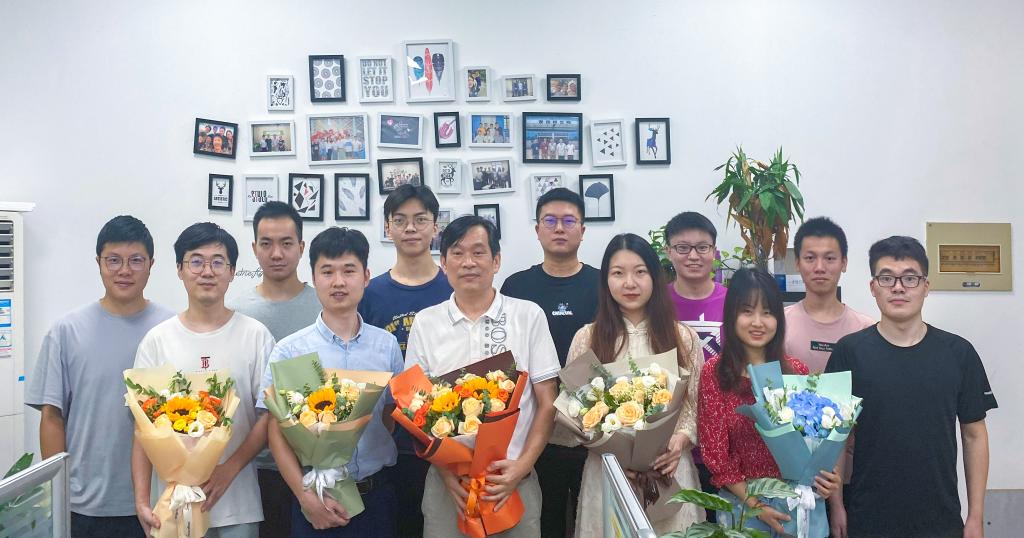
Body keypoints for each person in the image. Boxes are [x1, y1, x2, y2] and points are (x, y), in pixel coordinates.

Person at [825, 236, 997, 538]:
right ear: (873, 287)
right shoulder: (849, 352)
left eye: (909, 278)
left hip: (940, 520)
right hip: (868, 519)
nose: (898, 287)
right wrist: (837, 505)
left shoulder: (959, 353)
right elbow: (835, 437)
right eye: (887, 278)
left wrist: (975, 516)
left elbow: (974, 436)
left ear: (926, 287)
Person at [405, 216, 560, 537]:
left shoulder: (527, 316)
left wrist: (522, 466)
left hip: (512, 482)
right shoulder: (426, 323)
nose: (468, 263)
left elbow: (548, 403)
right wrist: (447, 474)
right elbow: (414, 409)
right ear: (443, 262)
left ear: (496, 261)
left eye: (478, 252)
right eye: (457, 253)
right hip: (449, 488)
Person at [26, 216, 173, 538]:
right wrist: (59, 491)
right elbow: (52, 417)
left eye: (136, 260)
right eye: (113, 260)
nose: (124, 270)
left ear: (151, 264)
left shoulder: (172, 329)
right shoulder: (66, 331)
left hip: (157, 500)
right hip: (83, 503)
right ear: (98, 263)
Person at [259, 227, 404, 537]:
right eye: (327, 272)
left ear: (366, 277)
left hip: (377, 496)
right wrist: (305, 497)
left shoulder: (386, 345)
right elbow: (277, 431)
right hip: (315, 498)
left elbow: (390, 415)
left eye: (349, 271)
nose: (338, 282)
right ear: (314, 278)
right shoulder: (290, 350)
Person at [132, 223, 274, 538]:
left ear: (232, 271)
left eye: (217, 262)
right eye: (196, 261)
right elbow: (142, 428)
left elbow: (268, 416)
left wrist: (229, 469)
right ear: (180, 269)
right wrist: (142, 501)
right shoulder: (157, 340)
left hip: (238, 503)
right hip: (172, 506)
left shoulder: (255, 336)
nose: (207, 271)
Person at [565, 233, 704, 537]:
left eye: (640, 272)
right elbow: (574, 413)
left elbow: (695, 406)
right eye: (618, 273)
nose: (630, 283)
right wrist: (610, 448)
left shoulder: (683, 338)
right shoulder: (587, 339)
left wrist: (679, 441)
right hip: (608, 472)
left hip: (668, 470)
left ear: (655, 277)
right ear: (606, 281)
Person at [698, 268, 841, 536]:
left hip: (798, 504)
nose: (758, 322)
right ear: (731, 315)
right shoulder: (714, 374)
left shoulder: (796, 372)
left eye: (767, 312)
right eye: (747, 311)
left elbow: (814, 442)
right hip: (743, 507)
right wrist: (756, 506)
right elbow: (716, 456)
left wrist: (828, 479)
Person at [500, 188, 598, 538]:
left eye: (569, 221)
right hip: (535, 431)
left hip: (593, 431)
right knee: (545, 522)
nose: (559, 228)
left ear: (582, 230)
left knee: (592, 521)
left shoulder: (603, 283)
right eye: (550, 220)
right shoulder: (515, 286)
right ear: (537, 229)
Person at [358, 185, 452, 538]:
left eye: (420, 220)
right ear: (388, 227)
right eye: (400, 220)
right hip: (387, 442)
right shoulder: (370, 294)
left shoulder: (453, 287)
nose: (410, 228)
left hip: (445, 438)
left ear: (435, 226)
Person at [228, 201, 322, 538]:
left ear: (301, 246)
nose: (276, 253)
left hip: (318, 465)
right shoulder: (236, 312)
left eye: (286, 243)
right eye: (266, 244)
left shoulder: (325, 305)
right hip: (256, 469)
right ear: (254, 248)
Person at [784, 217, 874, 373]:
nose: (819, 267)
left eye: (829, 258)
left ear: (844, 263)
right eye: (810, 258)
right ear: (797, 263)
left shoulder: (866, 329)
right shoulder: (779, 323)